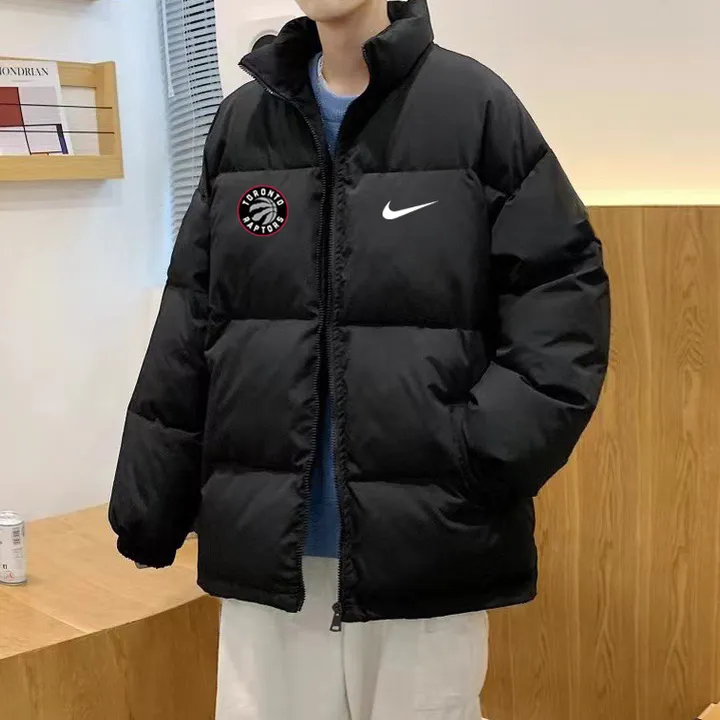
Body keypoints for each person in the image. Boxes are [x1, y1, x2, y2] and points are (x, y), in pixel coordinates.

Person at [108, 0, 611, 718]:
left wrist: (477, 454)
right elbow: (191, 315)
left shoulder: (472, 107)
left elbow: (560, 295)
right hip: (267, 546)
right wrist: (151, 501)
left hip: (423, 544)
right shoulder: (245, 122)